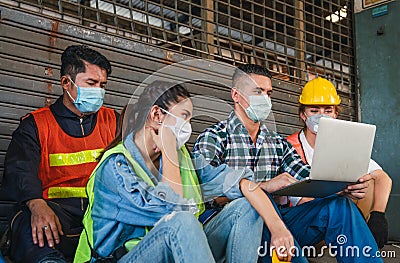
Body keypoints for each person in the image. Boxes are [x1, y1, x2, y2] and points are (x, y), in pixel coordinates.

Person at [75, 80, 286, 263]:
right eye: (184, 117)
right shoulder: (116, 167)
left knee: (246, 206)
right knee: (182, 221)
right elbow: (172, 210)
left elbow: (241, 183)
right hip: (121, 258)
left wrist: (278, 228)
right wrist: (169, 150)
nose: (188, 126)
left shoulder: (185, 157)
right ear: (157, 114)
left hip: (174, 251)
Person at [192, 64, 383, 263]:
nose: (265, 98)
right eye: (258, 91)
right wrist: (265, 188)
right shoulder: (213, 138)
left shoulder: (277, 143)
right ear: (236, 95)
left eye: (268, 93)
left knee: (338, 207)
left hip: (277, 229)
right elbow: (206, 192)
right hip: (231, 229)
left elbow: (309, 176)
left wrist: (343, 186)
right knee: (253, 205)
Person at [2, 45, 119, 262]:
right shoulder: (35, 125)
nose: (99, 91)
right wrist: (36, 204)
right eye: (92, 84)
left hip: (102, 216)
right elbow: (19, 170)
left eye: (103, 85)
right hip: (55, 216)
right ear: (66, 82)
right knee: (30, 222)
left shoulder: (114, 121)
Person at [286, 77, 392, 249]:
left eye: (328, 110)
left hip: (341, 217)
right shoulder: (289, 147)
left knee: (369, 182)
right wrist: (339, 194)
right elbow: (300, 201)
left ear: (335, 114)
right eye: (314, 110)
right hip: (306, 223)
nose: (321, 115)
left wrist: (378, 214)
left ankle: (360, 241)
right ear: (302, 114)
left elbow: (383, 178)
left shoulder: (344, 143)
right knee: (337, 204)